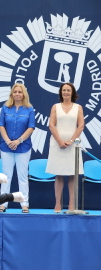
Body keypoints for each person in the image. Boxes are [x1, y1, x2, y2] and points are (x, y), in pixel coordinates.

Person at [46, 83, 84, 213]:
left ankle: (71, 204)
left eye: (68, 90)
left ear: (72, 92)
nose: (66, 92)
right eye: (64, 90)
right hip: (57, 145)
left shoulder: (78, 107)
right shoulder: (55, 107)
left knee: (73, 175)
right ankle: (57, 204)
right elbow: (51, 125)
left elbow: (81, 126)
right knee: (59, 174)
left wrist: (71, 141)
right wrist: (60, 141)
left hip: (73, 146)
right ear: (61, 93)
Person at [0, 83, 35, 213]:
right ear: (12, 94)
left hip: (23, 147)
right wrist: (8, 141)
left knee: (22, 176)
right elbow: (1, 125)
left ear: (24, 94)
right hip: (6, 147)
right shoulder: (5, 108)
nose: (17, 94)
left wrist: (18, 141)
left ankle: (24, 203)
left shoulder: (29, 109)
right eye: (15, 92)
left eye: (20, 92)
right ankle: (3, 203)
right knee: (5, 175)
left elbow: (31, 128)